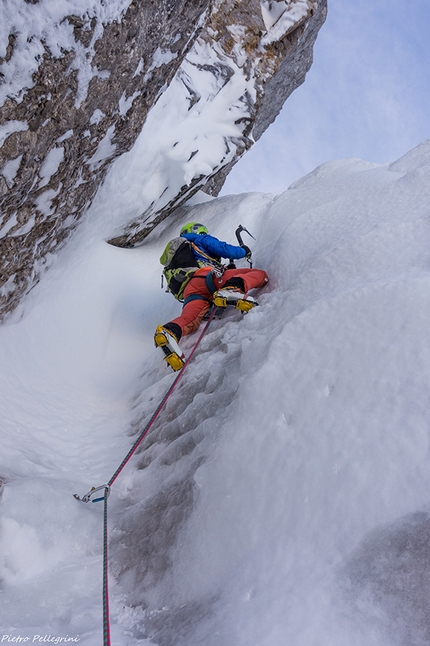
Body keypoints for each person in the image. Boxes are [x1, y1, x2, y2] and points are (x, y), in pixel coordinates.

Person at [154, 222, 268, 370]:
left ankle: (169, 332)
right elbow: (224, 249)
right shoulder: (198, 239)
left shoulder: (180, 257)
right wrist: (243, 251)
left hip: (191, 291)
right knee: (259, 274)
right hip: (206, 277)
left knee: (190, 319)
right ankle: (231, 290)